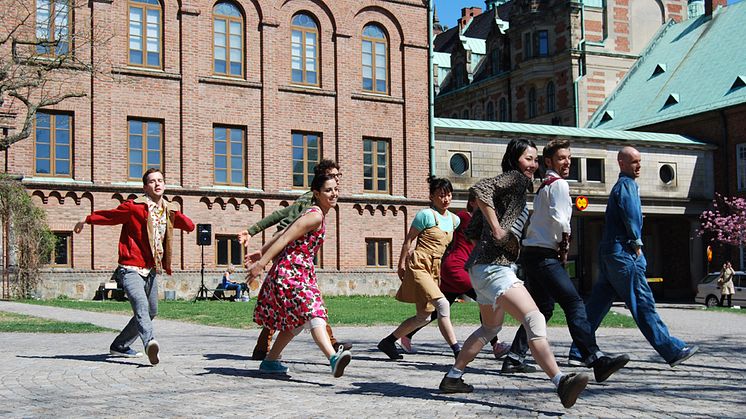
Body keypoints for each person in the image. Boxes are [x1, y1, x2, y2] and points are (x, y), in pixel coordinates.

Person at [438, 138, 589, 409]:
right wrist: (497, 232)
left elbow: (472, 231)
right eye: (527, 159)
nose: (532, 165)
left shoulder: (513, 190)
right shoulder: (515, 180)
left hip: (481, 269)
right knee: (534, 318)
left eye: (534, 160)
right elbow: (480, 188)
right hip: (495, 268)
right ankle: (560, 382)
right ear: (514, 159)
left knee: (490, 327)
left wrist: (488, 244)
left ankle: (453, 377)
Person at [500, 139, 630, 383]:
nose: (567, 162)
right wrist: (565, 245)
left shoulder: (544, 185)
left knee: (542, 309)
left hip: (533, 255)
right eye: (562, 158)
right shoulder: (558, 184)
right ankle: (595, 359)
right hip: (544, 256)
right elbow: (561, 221)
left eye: (569, 158)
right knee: (573, 302)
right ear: (549, 161)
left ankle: (514, 358)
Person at [568, 146, 699, 367]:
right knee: (642, 303)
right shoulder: (627, 186)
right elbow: (632, 219)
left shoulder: (619, 187)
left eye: (639, 161)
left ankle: (579, 351)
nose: (638, 166)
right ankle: (673, 350)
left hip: (610, 254)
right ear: (621, 163)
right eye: (634, 162)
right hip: (624, 255)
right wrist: (637, 247)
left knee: (596, 307)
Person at [74, 168, 195, 365]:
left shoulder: (168, 210)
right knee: (141, 305)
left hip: (151, 270)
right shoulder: (134, 207)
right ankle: (149, 344)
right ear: (145, 187)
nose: (157, 184)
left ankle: (119, 346)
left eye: (160, 180)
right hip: (130, 269)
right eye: (152, 181)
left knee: (151, 311)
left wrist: (181, 219)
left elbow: (189, 225)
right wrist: (86, 219)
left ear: (164, 185)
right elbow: (110, 216)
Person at [238, 159, 351, 360]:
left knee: (295, 320)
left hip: (300, 269)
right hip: (291, 269)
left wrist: (261, 252)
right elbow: (284, 229)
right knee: (313, 311)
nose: (335, 190)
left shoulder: (320, 211)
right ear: (317, 189)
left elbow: (287, 231)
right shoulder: (312, 210)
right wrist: (261, 260)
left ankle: (270, 360)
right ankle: (333, 357)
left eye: (336, 182)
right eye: (330, 183)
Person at [399, 192, 511, 359]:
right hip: (457, 268)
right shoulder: (464, 217)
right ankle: (496, 345)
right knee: (485, 297)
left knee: (438, 309)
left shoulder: (467, 219)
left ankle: (406, 336)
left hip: (456, 269)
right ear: (473, 202)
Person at [377, 176, 463, 360]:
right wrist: (400, 265)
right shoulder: (425, 215)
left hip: (435, 269)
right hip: (419, 265)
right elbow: (409, 240)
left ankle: (388, 342)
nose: (446, 199)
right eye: (441, 195)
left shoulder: (455, 220)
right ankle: (457, 351)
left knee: (423, 317)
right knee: (443, 304)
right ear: (432, 197)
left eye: (448, 194)